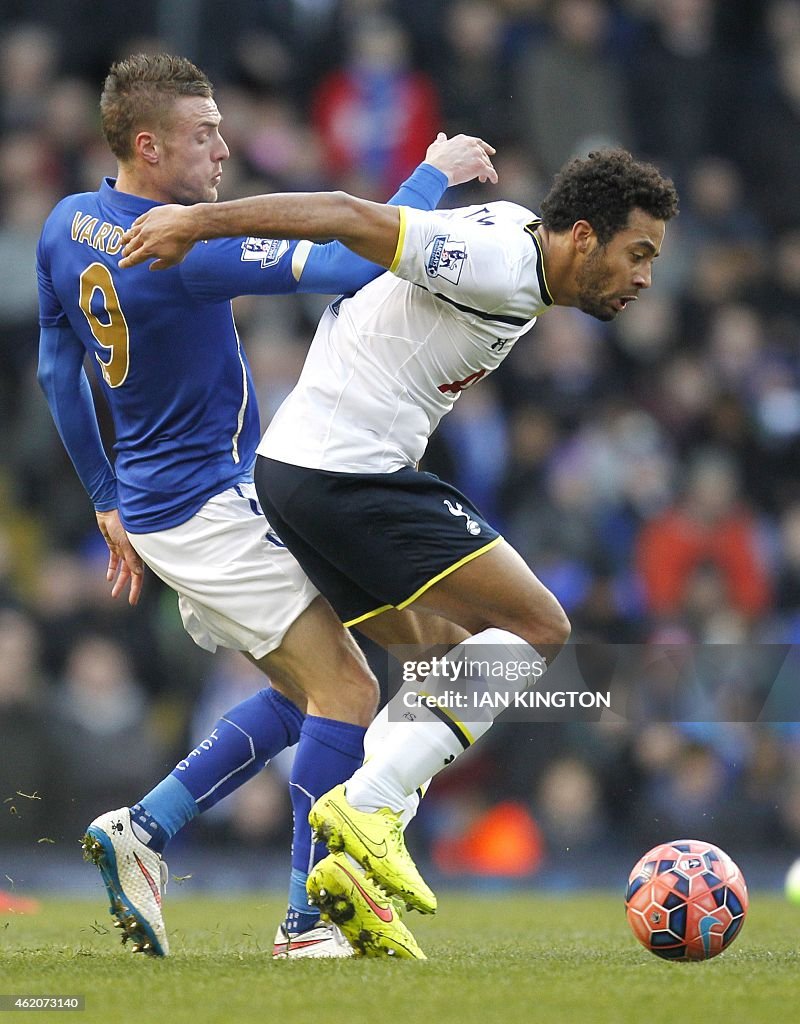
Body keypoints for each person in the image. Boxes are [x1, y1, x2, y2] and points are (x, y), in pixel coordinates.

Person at [119, 144, 678, 944]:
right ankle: (369, 811)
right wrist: (198, 222)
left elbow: (390, 250)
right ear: (583, 236)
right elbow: (350, 219)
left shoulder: (518, 244)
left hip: (302, 470)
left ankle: (340, 875)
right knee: (542, 630)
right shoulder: (496, 261)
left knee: (445, 662)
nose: (646, 278)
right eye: (639, 254)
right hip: (346, 472)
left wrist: (434, 172)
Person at [36, 52, 497, 960]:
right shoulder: (182, 248)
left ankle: (147, 829)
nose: (223, 148)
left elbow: (59, 366)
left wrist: (103, 498)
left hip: (170, 501)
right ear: (147, 145)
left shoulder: (67, 222)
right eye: (203, 134)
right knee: (350, 687)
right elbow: (344, 264)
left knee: (302, 692)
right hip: (204, 504)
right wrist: (430, 176)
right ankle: (305, 922)